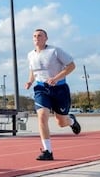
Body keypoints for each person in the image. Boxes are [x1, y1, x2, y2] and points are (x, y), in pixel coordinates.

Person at [24, 28, 81, 161]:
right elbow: (33, 71)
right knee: (42, 116)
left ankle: (71, 121)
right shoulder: (30, 55)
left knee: (61, 122)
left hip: (59, 89)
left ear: (46, 38)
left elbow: (71, 66)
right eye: (34, 36)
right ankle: (47, 150)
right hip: (41, 89)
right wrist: (30, 81)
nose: (37, 38)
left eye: (40, 35)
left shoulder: (55, 51)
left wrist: (56, 78)